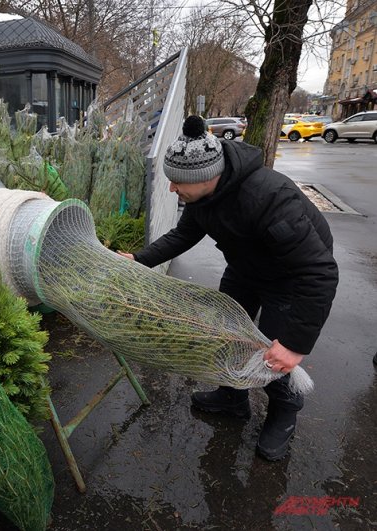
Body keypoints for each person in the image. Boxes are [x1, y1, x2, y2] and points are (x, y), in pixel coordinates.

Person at [118, 115, 338, 461]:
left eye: (176, 183)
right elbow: (184, 234)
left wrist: (295, 344)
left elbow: (319, 271)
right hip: (246, 266)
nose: (172, 190)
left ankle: (284, 410)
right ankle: (232, 397)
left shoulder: (269, 199)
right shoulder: (202, 199)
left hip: (289, 275)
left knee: (272, 354)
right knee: (227, 330)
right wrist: (139, 259)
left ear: (207, 177)